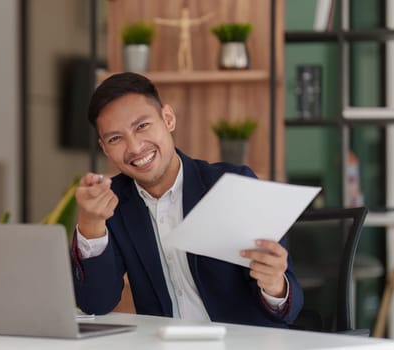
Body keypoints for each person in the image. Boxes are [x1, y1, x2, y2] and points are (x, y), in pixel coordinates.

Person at [70, 72, 303, 328]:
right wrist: (90, 226)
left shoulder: (229, 185)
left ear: (168, 119)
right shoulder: (113, 202)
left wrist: (275, 286)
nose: (135, 147)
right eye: (116, 138)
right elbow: (96, 303)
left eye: (142, 126)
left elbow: (289, 308)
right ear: (104, 148)